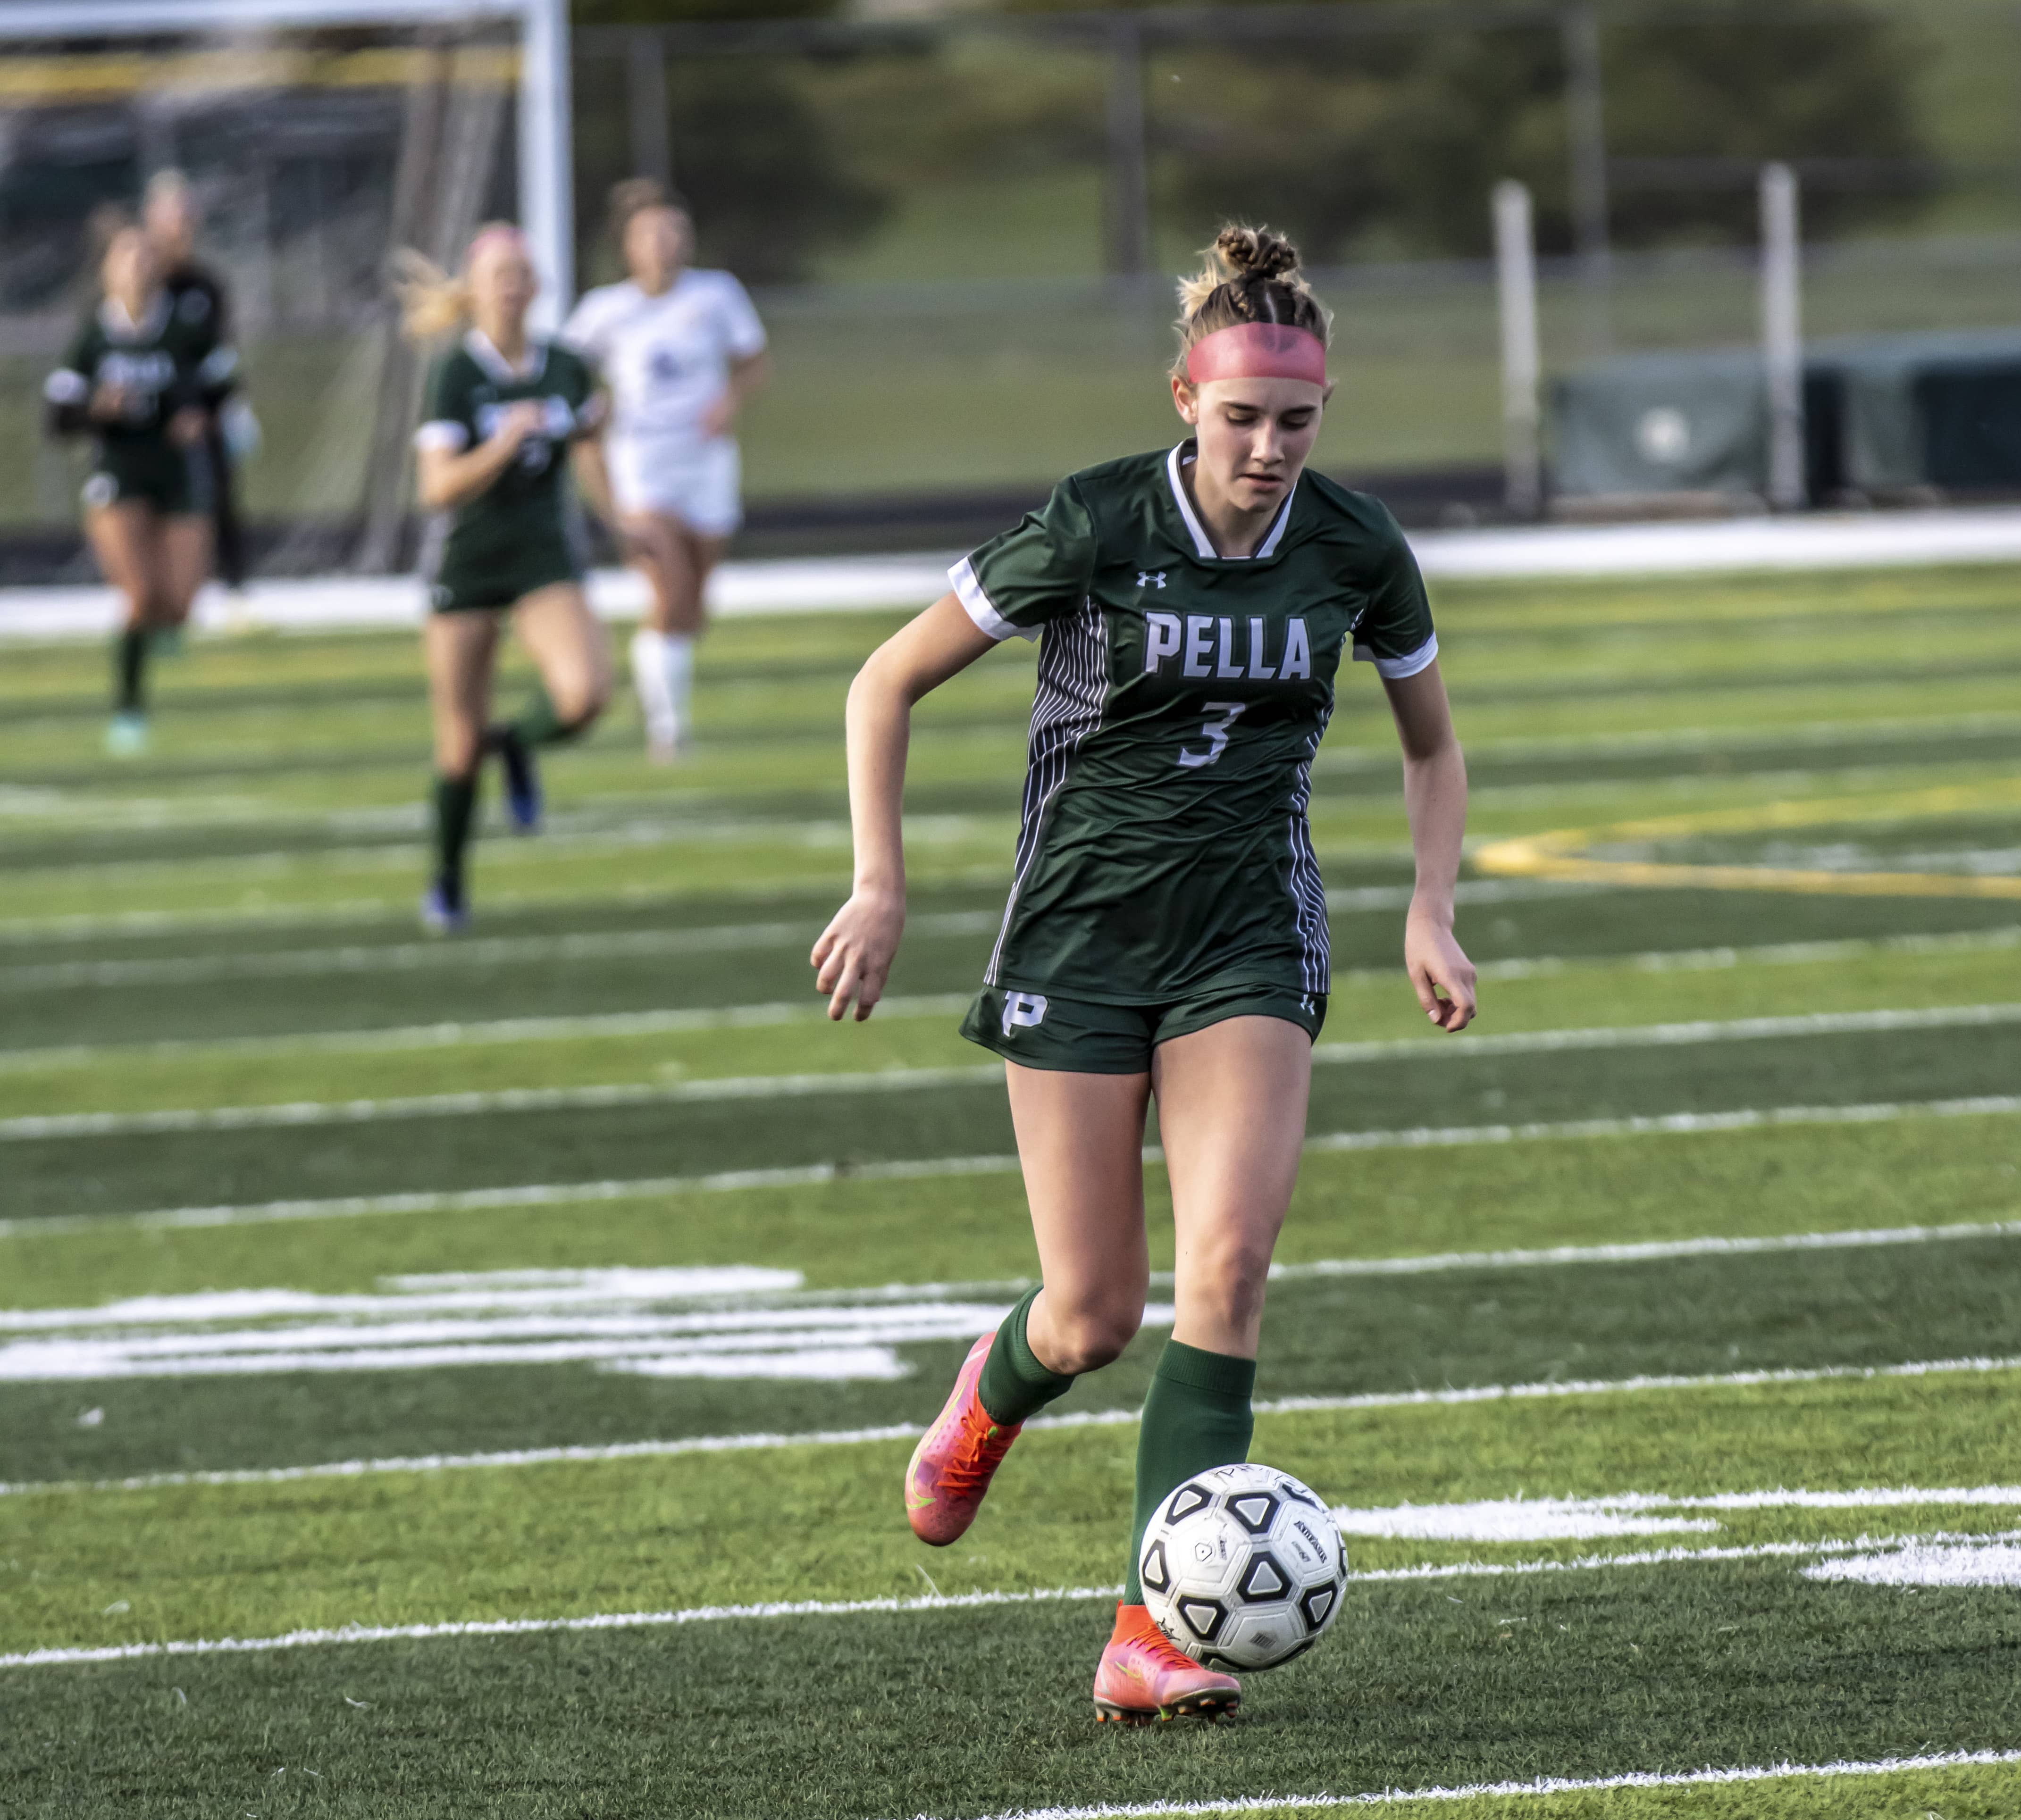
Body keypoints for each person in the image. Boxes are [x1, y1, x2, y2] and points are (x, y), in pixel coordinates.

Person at [810, 226, 1476, 1723]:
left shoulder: (1353, 544)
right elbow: (883, 679)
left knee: (1225, 1269)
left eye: (1294, 422)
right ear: (1184, 394)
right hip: (1080, 933)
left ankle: (1143, 1629)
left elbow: (1429, 741)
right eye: (1238, 417)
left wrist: (1426, 909)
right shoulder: (1097, 522)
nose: (1265, 447)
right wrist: (880, 879)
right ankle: (988, 1396)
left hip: (1249, 935)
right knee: (1092, 1309)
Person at [401, 224, 616, 934]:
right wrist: (503, 442)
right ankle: (448, 880)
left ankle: (519, 743)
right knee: (457, 746)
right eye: (501, 273)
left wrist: (622, 520)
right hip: (466, 560)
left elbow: (586, 445)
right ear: (476, 287)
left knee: (585, 696)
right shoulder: (456, 374)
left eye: (524, 272)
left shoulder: (564, 364)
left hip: (542, 555)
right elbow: (437, 487)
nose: (514, 285)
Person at [563, 178, 770, 762]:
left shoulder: (716, 295)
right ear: (626, 244)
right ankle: (667, 729)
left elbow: (754, 362)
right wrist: (590, 410)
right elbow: (564, 371)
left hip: (705, 462)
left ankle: (662, 677)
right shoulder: (606, 309)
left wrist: (728, 403)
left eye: (672, 229)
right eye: (648, 232)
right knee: (667, 583)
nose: (662, 242)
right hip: (643, 463)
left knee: (693, 602)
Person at [44, 216, 231, 756]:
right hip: (120, 474)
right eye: (127, 256)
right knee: (140, 595)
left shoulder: (183, 330)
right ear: (108, 271)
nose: (138, 265)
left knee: (179, 603)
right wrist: (97, 411)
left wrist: (198, 415)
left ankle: (155, 633)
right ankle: (128, 710)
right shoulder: (95, 337)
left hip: (174, 472)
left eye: (146, 255)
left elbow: (223, 384)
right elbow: (59, 419)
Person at [143, 169, 256, 598]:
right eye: (172, 217)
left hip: (199, 413)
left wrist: (215, 407)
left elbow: (220, 355)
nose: (180, 228)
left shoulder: (206, 286)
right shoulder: (143, 283)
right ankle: (158, 592)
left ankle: (233, 588)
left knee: (218, 493)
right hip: (148, 419)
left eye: (186, 218)